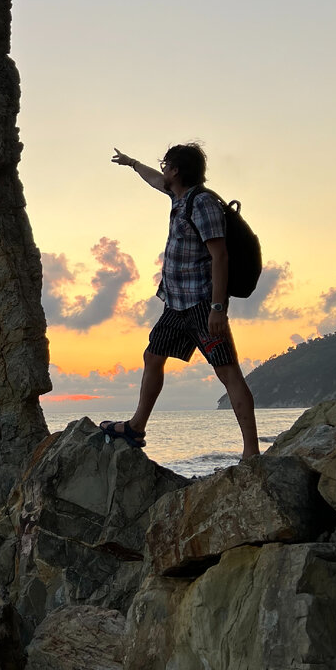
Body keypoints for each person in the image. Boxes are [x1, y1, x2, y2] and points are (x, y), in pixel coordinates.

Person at [105, 142, 259, 458]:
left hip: (203, 306)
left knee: (228, 373)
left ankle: (252, 451)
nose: (161, 169)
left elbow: (220, 257)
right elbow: (154, 180)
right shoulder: (180, 198)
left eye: (165, 165)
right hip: (175, 305)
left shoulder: (201, 204)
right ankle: (136, 426)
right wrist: (132, 163)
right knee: (153, 356)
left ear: (176, 170)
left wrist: (218, 308)